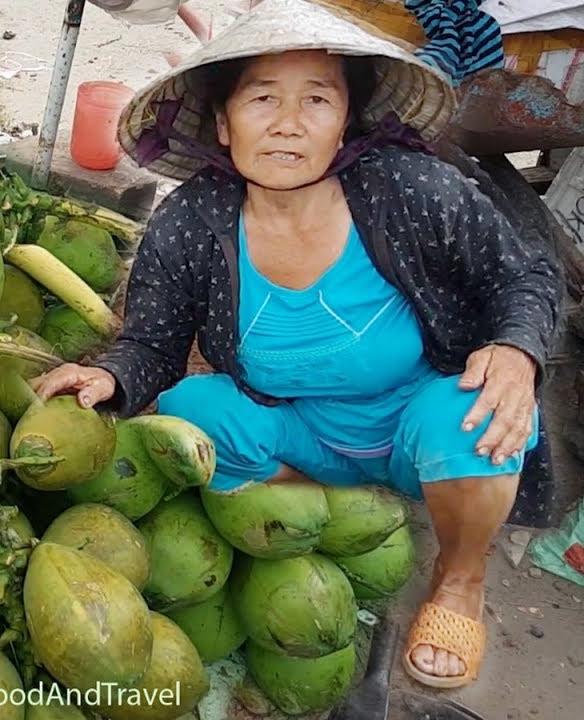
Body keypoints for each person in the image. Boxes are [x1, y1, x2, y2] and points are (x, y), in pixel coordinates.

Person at [32, 0, 561, 691]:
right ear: (224, 123)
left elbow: (525, 273)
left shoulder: (410, 189)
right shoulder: (193, 221)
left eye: (317, 98)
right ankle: (327, 504)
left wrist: (518, 350)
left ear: (347, 118)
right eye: (262, 99)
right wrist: (111, 379)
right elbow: (153, 344)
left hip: (413, 418)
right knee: (191, 405)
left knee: (484, 412)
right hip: (299, 434)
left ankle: (459, 579)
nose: (288, 123)